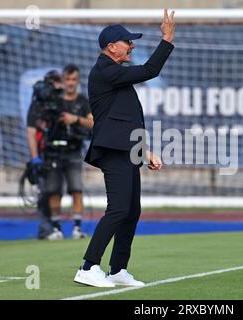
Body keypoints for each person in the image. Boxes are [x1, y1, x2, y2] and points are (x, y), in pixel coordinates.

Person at [73, 9, 175, 288]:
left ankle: (118, 269)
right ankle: (87, 266)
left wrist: (145, 151)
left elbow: (125, 122)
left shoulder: (114, 74)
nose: (132, 45)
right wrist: (166, 40)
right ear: (111, 47)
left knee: (131, 211)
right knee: (118, 209)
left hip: (126, 150)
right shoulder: (106, 69)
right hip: (113, 151)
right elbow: (149, 70)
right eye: (127, 42)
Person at [26, 65, 94, 240]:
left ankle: (77, 229)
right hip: (52, 150)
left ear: (78, 81)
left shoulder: (82, 101)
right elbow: (35, 126)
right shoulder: (52, 101)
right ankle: (56, 229)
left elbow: (93, 123)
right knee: (53, 191)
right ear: (62, 81)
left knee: (76, 189)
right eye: (67, 80)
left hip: (73, 150)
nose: (70, 83)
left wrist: (75, 119)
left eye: (74, 80)